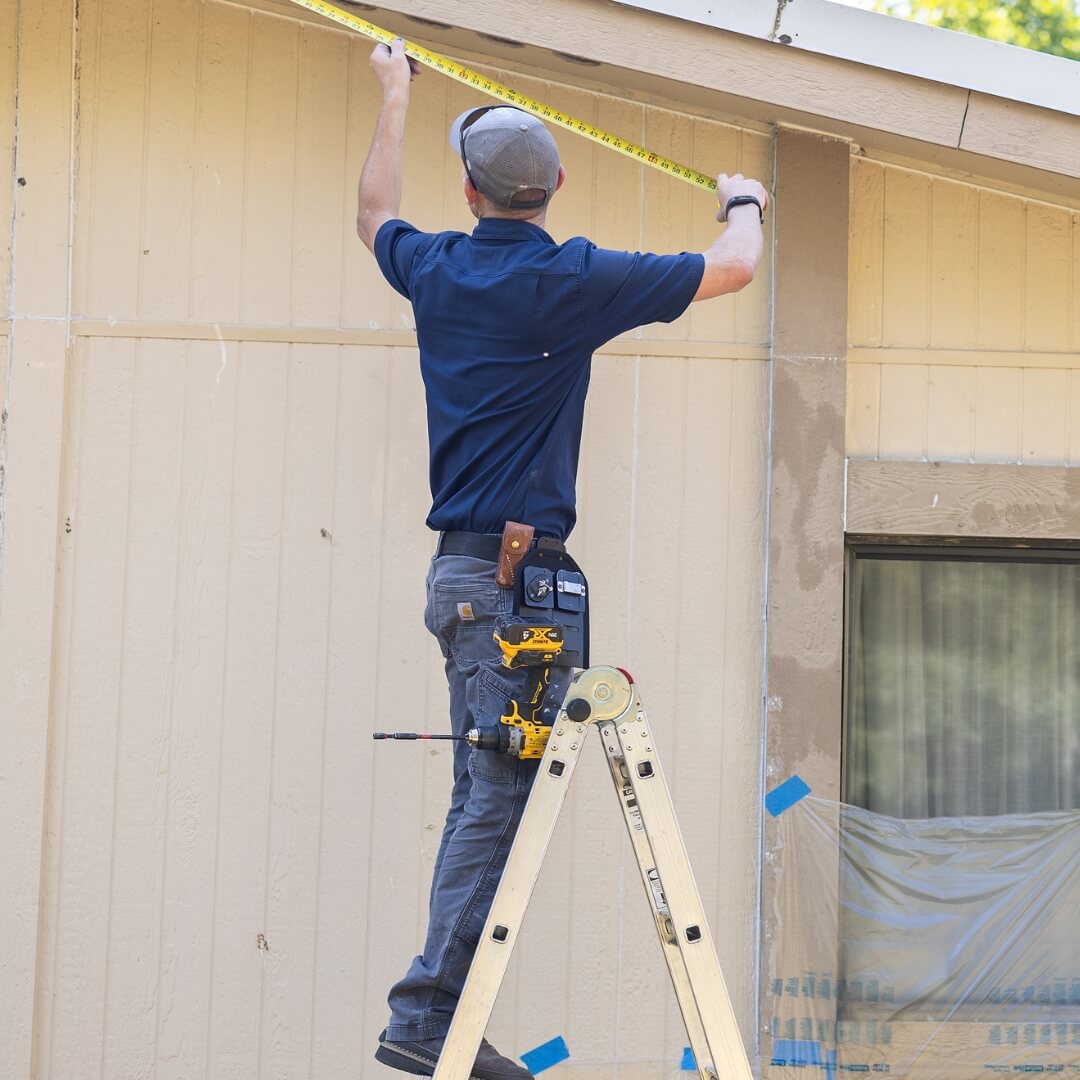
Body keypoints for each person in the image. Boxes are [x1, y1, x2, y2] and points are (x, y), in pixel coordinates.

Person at [358, 38, 769, 1080]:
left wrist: (394, 96)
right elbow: (735, 267)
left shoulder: (440, 268)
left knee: (485, 796)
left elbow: (371, 217)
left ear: (469, 191)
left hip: (466, 580)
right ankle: (429, 1016)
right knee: (497, 798)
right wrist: (746, 196)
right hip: (517, 583)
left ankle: (438, 1015)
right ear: (557, 187)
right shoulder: (573, 278)